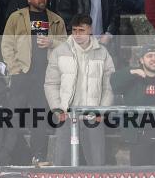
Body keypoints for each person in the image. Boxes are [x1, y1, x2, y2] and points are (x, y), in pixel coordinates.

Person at [1, 0, 67, 165]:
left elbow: (66, 45)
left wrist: (51, 42)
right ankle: (5, 156)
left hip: (44, 76)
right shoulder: (17, 17)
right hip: (22, 74)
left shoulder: (56, 19)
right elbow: (7, 44)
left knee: (40, 117)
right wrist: (15, 69)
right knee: (14, 116)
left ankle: (39, 156)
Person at [44, 15, 116, 166]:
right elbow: (51, 83)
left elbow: (108, 86)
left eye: (81, 30)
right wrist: (57, 109)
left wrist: (101, 111)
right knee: (62, 163)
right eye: (74, 30)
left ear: (90, 30)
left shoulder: (103, 53)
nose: (77, 35)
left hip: (92, 116)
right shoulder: (60, 51)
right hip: (67, 116)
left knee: (97, 163)